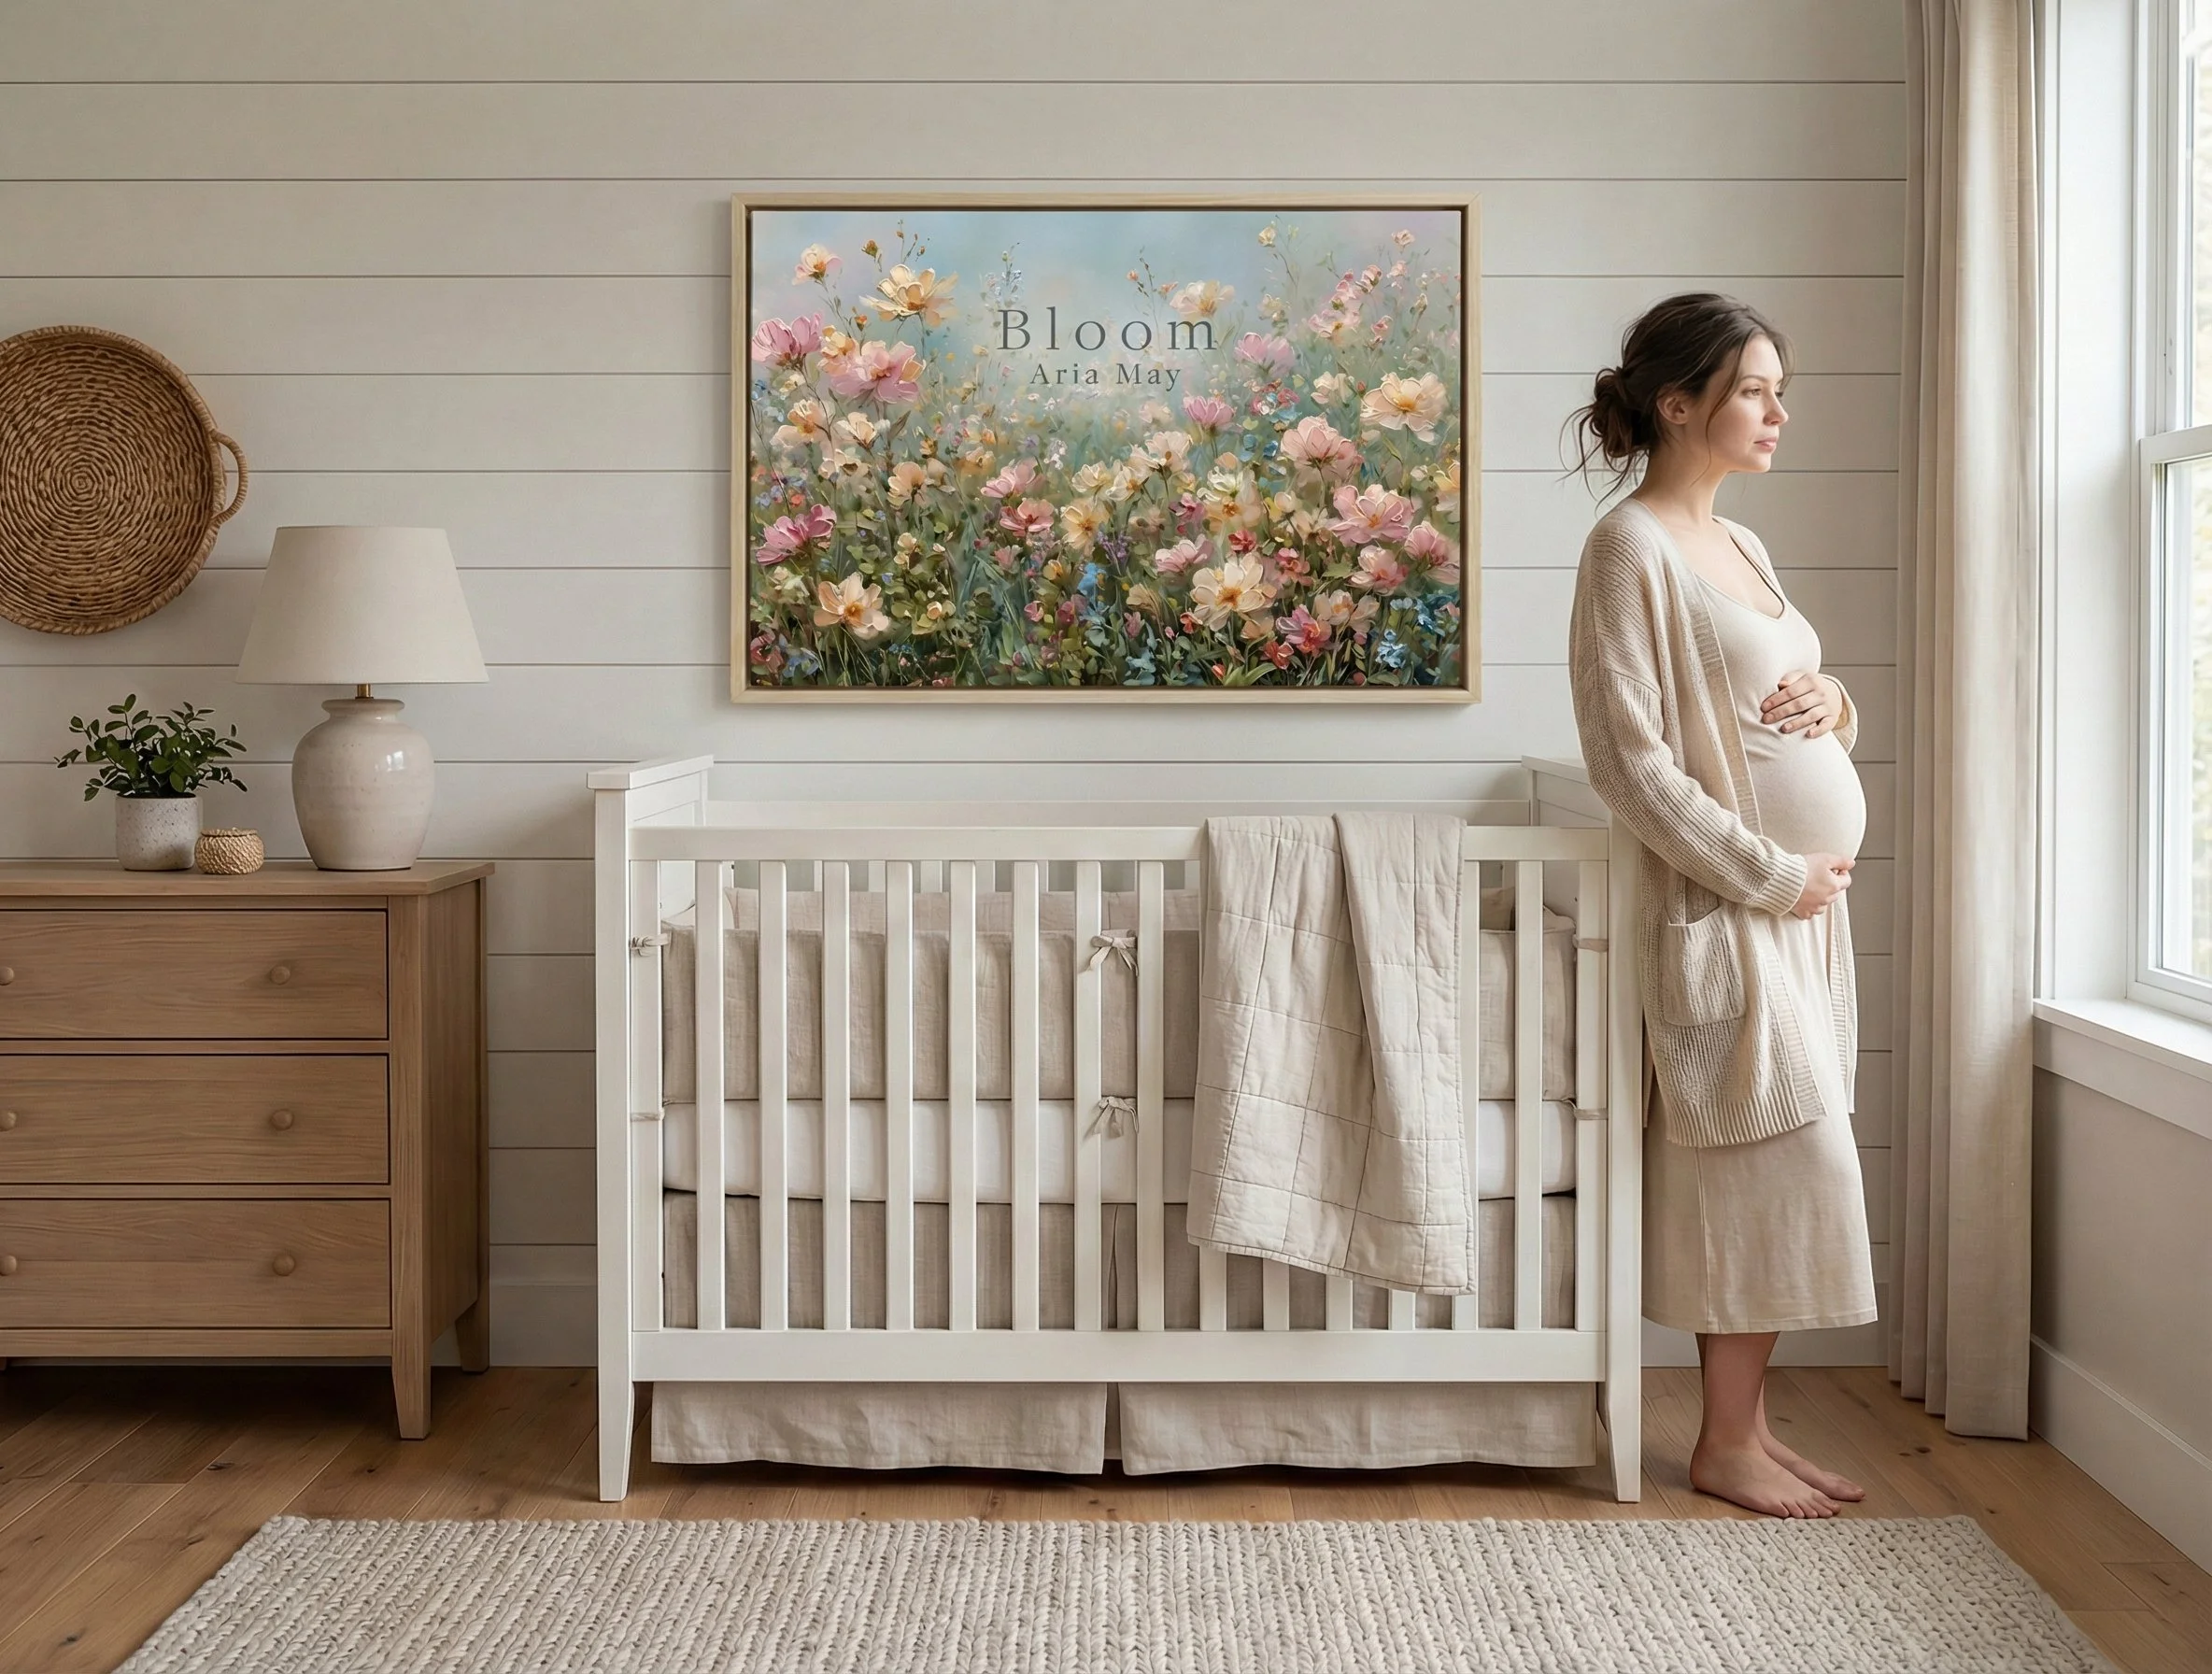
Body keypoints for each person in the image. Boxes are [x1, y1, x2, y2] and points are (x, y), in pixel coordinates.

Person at [1566, 293, 1876, 1518]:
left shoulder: (1743, 548)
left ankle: (1740, 1429)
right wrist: (1769, 873)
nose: (1778, 411)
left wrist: (1838, 704)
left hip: (1798, 913)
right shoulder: (1627, 547)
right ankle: (1725, 1442)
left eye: (1777, 387)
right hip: (1730, 908)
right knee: (1771, 1169)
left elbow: (1784, 696)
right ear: (1677, 402)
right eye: (1753, 389)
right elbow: (1628, 761)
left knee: (1774, 1173)